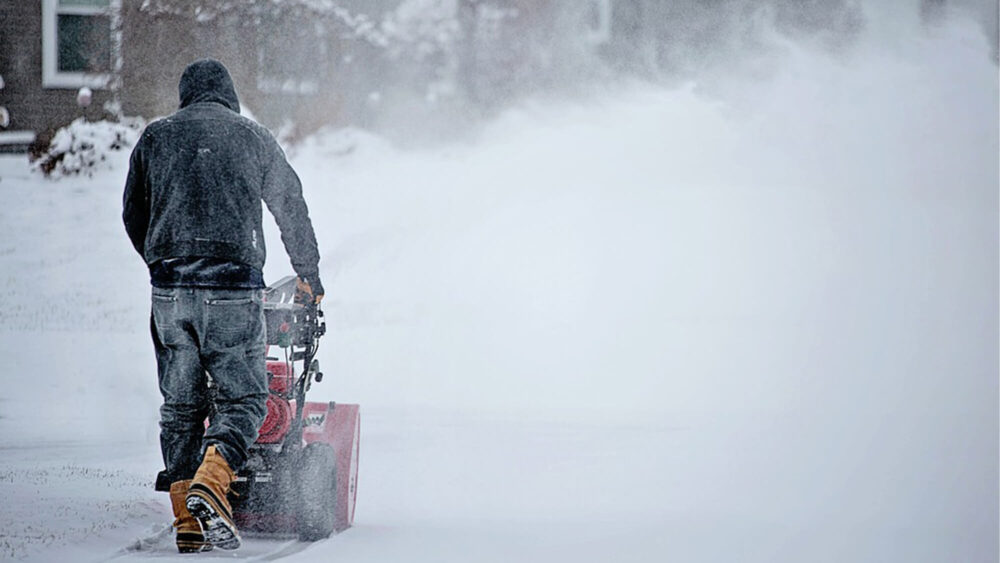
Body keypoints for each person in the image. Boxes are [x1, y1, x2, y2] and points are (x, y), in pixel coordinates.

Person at [123, 58, 323, 553]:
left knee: (182, 407)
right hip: (233, 288)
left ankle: (186, 521)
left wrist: (160, 259)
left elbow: (132, 212)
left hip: (170, 289)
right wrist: (309, 275)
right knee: (244, 400)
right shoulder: (252, 137)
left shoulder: (156, 137)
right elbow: (289, 203)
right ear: (229, 96)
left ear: (185, 95)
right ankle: (211, 485)